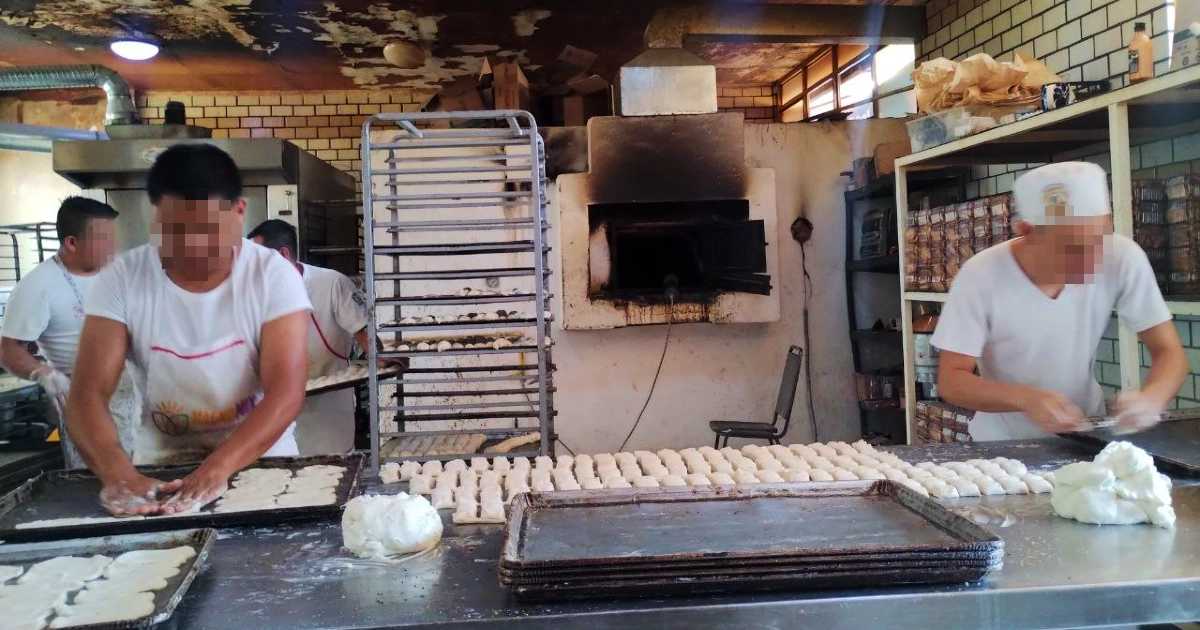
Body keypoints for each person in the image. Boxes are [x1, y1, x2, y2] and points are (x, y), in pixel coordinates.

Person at [67, 143, 312, 515]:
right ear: (156, 217)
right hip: (162, 463)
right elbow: (86, 394)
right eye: (175, 230)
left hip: (260, 459)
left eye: (207, 230)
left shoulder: (271, 277)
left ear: (239, 212)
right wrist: (118, 473)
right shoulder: (123, 278)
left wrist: (217, 468)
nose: (193, 246)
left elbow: (285, 392)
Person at [933, 162, 1188, 441]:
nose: (1089, 257)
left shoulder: (1121, 256)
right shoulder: (981, 275)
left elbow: (1169, 353)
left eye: (1098, 237)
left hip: (1087, 434)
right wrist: (1026, 399)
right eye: (1069, 247)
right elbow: (952, 380)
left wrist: (1151, 398)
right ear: (1026, 231)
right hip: (1002, 445)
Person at [0, 197, 141, 468]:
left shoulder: (121, 270)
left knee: (155, 476)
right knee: (101, 485)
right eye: (103, 239)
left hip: (138, 393)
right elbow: (9, 349)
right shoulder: (38, 286)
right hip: (88, 399)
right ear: (72, 243)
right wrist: (43, 373)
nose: (113, 247)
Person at [247, 219, 405, 454]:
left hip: (328, 403)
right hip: (274, 402)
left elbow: (362, 328)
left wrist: (378, 356)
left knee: (331, 468)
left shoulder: (330, 283)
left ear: (282, 254)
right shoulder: (252, 292)